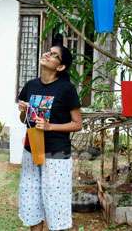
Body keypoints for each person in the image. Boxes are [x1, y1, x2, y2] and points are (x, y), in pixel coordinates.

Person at [17, 44, 83, 231]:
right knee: (32, 201)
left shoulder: (66, 89)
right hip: (32, 150)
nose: (47, 54)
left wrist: (49, 126)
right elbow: (25, 120)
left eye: (54, 55)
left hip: (56, 155)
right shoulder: (31, 85)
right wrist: (23, 111)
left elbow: (78, 124)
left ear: (60, 67)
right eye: (49, 51)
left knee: (55, 205)